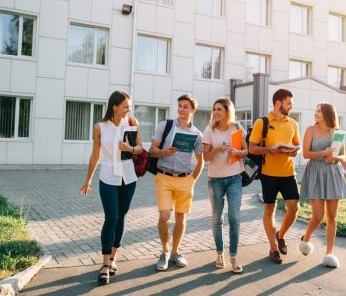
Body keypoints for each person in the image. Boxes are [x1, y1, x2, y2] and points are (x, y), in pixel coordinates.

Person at [79, 91, 143, 285]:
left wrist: (129, 149)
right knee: (112, 217)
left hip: (128, 177)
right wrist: (88, 180)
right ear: (114, 106)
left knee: (122, 216)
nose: (128, 110)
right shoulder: (100, 127)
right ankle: (105, 264)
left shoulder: (132, 123)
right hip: (107, 176)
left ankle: (114, 258)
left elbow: (140, 148)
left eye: (129, 107)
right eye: (125, 106)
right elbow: (95, 155)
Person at [150, 94, 204, 271]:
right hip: (164, 176)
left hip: (184, 179)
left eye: (185, 106)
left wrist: (192, 180)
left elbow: (200, 160)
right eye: (179, 106)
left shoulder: (197, 134)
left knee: (181, 217)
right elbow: (152, 151)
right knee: (164, 216)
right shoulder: (164, 126)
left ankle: (175, 252)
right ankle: (164, 252)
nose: (181, 109)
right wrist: (165, 152)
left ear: (193, 110)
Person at [249, 89, 301, 264]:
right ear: (278, 103)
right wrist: (269, 150)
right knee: (269, 210)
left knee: (294, 208)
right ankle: (273, 248)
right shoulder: (261, 122)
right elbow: (252, 148)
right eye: (288, 103)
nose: (291, 107)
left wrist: (293, 152)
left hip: (288, 172)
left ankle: (280, 235)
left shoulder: (292, 123)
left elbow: (296, 145)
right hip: (268, 174)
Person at [297, 102, 346, 268]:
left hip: (333, 174)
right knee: (318, 215)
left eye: (319, 111)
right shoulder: (310, 130)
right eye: (315, 110)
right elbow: (305, 154)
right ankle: (306, 238)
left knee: (332, 217)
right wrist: (323, 153)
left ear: (327, 114)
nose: (316, 113)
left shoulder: (337, 133)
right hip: (315, 173)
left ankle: (329, 253)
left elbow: (343, 155)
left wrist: (334, 158)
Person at [202, 97, 247, 273]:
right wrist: (217, 150)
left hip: (235, 177)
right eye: (214, 109)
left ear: (227, 111)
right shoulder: (209, 130)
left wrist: (237, 152)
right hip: (215, 179)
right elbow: (205, 157)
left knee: (234, 217)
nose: (216, 112)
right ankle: (219, 253)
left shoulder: (237, 127)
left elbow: (246, 150)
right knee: (216, 217)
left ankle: (233, 256)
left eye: (219, 109)